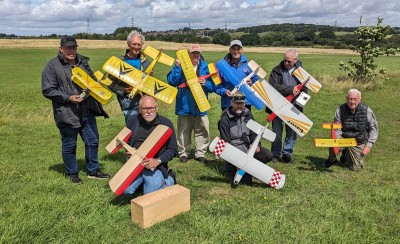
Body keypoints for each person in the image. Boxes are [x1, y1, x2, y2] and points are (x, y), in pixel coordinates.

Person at [41, 36, 110, 184]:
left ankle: (93, 170)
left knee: (92, 141)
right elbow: (47, 90)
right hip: (66, 112)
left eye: (74, 47)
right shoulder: (52, 66)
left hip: (86, 110)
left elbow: (91, 81)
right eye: (68, 48)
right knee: (69, 144)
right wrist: (67, 97)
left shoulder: (82, 62)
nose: (71, 50)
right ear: (61, 49)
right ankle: (72, 173)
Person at [167, 44, 215, 163]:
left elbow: (214, 86)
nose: (196, 55)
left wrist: (206, 84)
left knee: (202, 129)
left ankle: (200, 153)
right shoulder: (180, 66)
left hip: (200, 104)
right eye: (193, 53)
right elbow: (172, 81)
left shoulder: (206, 67)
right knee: (184, 129)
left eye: (197, 53)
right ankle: (184, 153)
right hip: (184, 104)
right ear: (188, 55)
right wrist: (177, 68)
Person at [123, 95, 177, 196]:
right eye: (145, 108)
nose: (149, 111)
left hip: (155, 166)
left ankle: (169, 179)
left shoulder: (166, 124)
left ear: (157, 108)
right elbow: (126, 142)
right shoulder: (132, 120)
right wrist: (129, 151)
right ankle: (143, 184)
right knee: (126, 191)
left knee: (150, 195)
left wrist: (157, 161)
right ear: (140, 109)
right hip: (134, 163)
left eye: (152, 108)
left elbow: (173, 150)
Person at [219, 91, 273, 185]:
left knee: (268, 155)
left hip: (248, 148)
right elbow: (225, 141)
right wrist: (235, 158)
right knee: (246, 181)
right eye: (237, 103)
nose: (239, 106)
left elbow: (254, 134)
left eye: (241, 103)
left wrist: (257, 145)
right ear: (231, 103)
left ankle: (248, 170)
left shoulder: (248, 114)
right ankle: (232, 167)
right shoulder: (225, 118)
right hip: (234, 150)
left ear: (244, 103)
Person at [267, 48, 308, 164]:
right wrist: (291, 89)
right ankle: (275, 154)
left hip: (294, 107)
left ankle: (287, 154)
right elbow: (273, 86)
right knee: (277, 131)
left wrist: (299, 106)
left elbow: (305, 91)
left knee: (292, 132)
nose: (286, 63)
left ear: (296, 60)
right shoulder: (276, 70)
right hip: (277, 106)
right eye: (285, 60)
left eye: (289, 61)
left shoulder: (302, 73)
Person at [322, 89, 378, 170]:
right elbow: (337, 128)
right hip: (344, 137)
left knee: (356, 168)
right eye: (350, 99)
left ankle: (346, 154)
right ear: (346, 99)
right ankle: (332, 160)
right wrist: (336, 143)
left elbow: (373, 128)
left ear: (359, 100)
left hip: (358, 141)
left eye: (355, 99)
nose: (352, 102)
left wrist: (369, 145)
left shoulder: (367, 110)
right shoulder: (340, 110)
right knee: (332, 142)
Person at [108, 30, 150, 123]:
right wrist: (123, 90)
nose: (136, 47)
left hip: (144, 102)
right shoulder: (119, 61)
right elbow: (109, 82)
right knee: (133, 129)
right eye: (134, 44)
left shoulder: (145, 62)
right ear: (128, 44)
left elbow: (150, 83)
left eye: (139, 44)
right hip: (128, 103)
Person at [215, 40, 258, 111]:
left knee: (246, 122)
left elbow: (255, 82)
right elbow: (216, 84)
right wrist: (225, 91)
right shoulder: (222, 66)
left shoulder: (249, 65)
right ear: (230, 50)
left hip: (245, 102)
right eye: (233, 49)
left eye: (238, 49)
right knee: (227, 122)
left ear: (242, 50)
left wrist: (250, 83)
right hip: (228, 103)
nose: (236, 51)